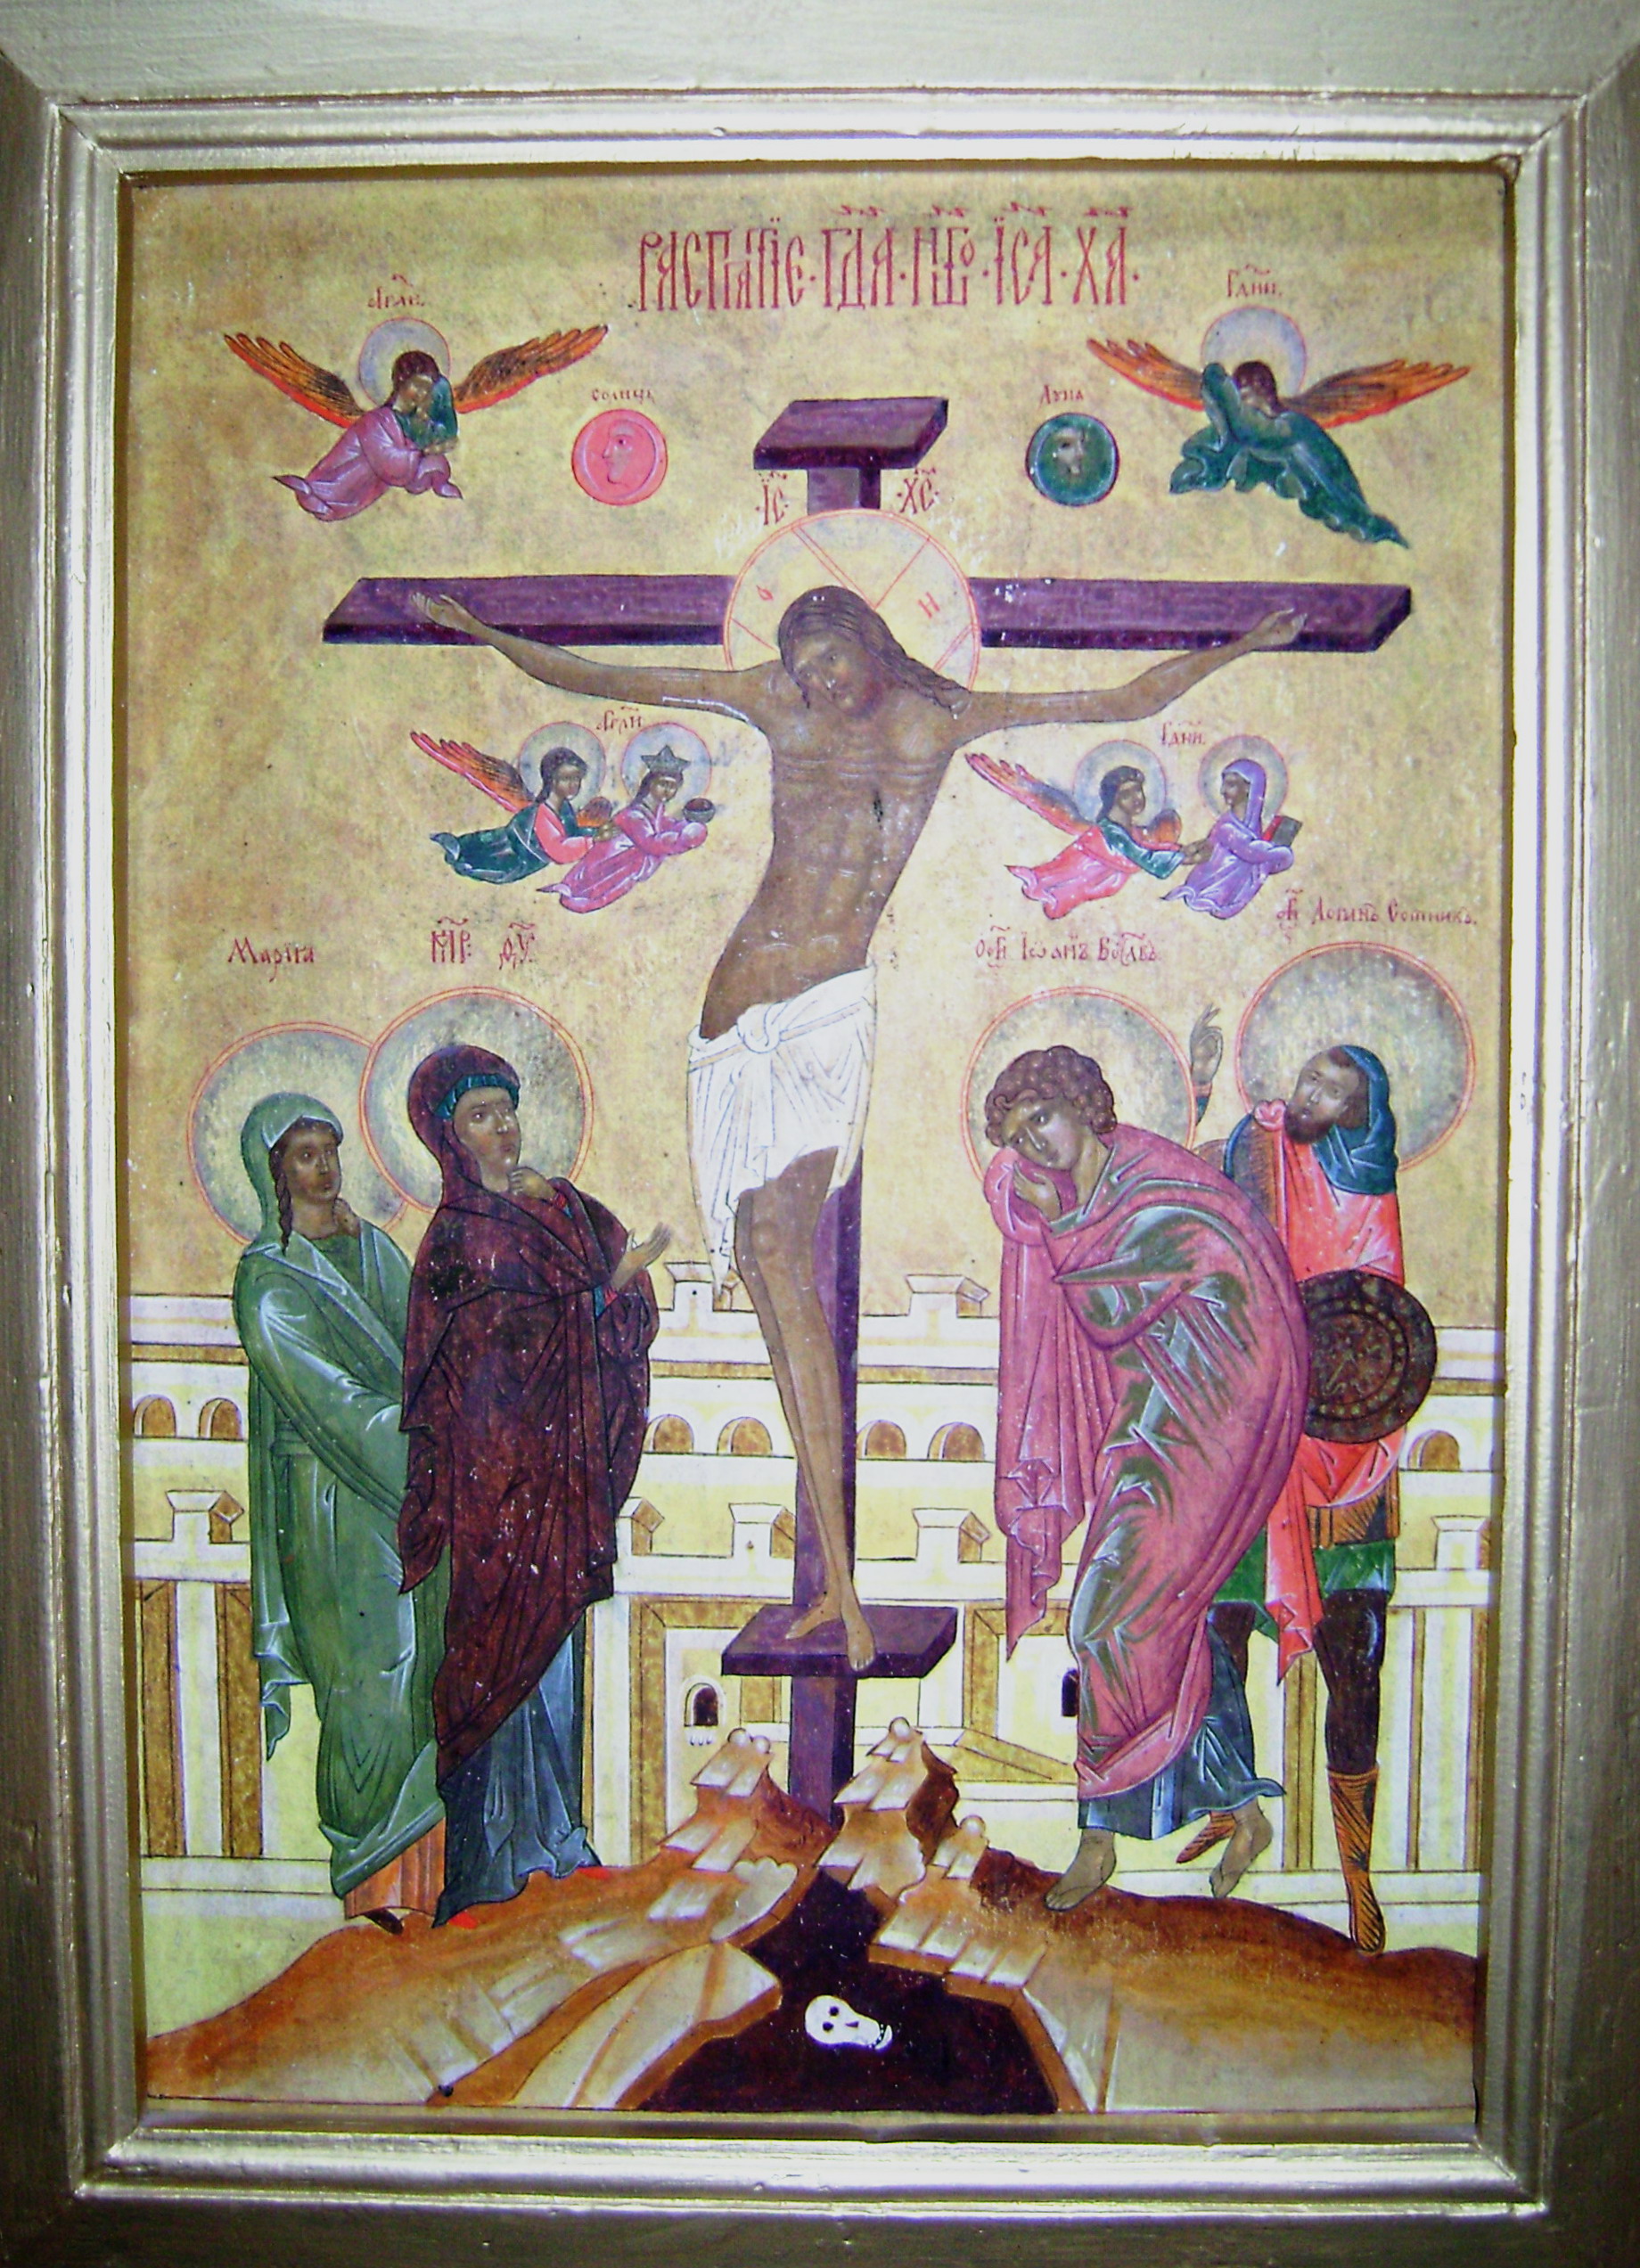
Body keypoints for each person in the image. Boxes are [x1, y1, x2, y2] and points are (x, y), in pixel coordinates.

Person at [412, 580, 1302, 1670]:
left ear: (867, 643)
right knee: (759, 1267)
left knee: (787, 1261)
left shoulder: (936, 719)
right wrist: (484, 634)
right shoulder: (775, 702)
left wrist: (1239, 644)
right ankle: (833, 1581)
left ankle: (842, 1580)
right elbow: (606, 676)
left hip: (824, 1009)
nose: (816, 684)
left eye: (828, 661)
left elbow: (1115, 699)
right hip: (733, 1010)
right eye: (801, 670)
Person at [984, 1045, 1309, 1910]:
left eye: (1042, 1119)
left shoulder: (1152, 1184)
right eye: (1018, 1135)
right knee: (1159, 1611)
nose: (1034, 1143)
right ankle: (1238, 1811)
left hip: (1219, 1406)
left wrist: (1050, 1224)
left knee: (1107, 1613)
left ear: (1081, 1106)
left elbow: (1108, 1306)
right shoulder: (1091, 1191)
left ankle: (1100, 1836)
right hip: (1157, 1402)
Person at [397, 1044, 664, 1922]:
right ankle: (491, 1866)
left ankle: (554, 1844)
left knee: (552, 1655)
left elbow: (607, 1304)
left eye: (506, 1109)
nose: (502, 1127)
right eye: (480, 1115)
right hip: (490, 1490)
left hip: (556, 1479)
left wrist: (606, 1281)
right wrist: (589, 1297)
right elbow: (459, 1365)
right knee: (494, 1663)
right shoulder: (454, 1237)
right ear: (448, 1136)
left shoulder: (554, 1206)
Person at [1192, 1041, 1407, 1952]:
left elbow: (1380, 1319)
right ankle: (1234, 1801)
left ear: (1362, 1111)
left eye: (1334, 1088)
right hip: (1258, 1433)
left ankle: (1357, 1873)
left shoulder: (1371, 1194)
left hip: (1348, 1459)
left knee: (1355, 1670)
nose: (1309, 1092)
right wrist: (1202, 1090)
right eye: (1311, 1074)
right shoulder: (1258, 1142)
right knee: (1215, 1628)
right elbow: (1201, 1205)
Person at [232, 1094, 446, 1925]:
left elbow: (426, 1350)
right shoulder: (268, 1281)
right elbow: (333, 1404)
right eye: (304, 1155)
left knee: (424, 1675)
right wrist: (437, 1453)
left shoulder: (375, 1250)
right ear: (274, 1173)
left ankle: (431, 1904)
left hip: (407, 1492)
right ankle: (373, 1906)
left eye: (330, 1150)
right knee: (370, 1688)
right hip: (333, 1510)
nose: (323, 1167)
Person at [1171, 360, 1406, 546]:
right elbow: (1230, 444)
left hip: (1352, 516)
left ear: (1262, 389)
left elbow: (1251, 431)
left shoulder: (1294, 425)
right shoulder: (1261, 441)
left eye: (1244, 398)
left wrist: (1220, 391)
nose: (1246, 409)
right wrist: (1201, 467)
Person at [970, 753, 1209, 921]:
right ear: (1113, 799)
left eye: (1138, 791)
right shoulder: (1108, 833)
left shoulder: (1136, 833)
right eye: (1127, 794)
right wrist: (1183, 858)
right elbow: (1137, 857)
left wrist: (1182, 851)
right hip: (1064, 886)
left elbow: (1148, 846)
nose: (1136, 798)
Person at [276, 348, 461, 521]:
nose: (421, 394)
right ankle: (314, 495)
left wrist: (435, 460)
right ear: (401, 381)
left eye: (427, 389)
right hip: (340, 483)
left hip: (365, 488)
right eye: (417, 385)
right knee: (335, 490)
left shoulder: (412, 423)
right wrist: (424, 451)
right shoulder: (376, 420)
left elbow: (418, 455)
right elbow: (389, 463)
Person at [542, 748, 712, 913]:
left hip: (622, 872)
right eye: (663, 784)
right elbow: (652, 843)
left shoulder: (655, 811)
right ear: (650, 783)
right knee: (588, 898)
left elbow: (662, 825)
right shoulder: (632, 815)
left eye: (673, 786)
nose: (668, 790)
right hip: (602, 871)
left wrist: (684, 825)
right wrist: (687, 838)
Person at [431, 749, 608, 886]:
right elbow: (558, 850)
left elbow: (573, 832)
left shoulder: (565, 810)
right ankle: (458, 847)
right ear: (552, 780)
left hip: (523, 862)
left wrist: (596, 832)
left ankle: (461, 855)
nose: (574, 785)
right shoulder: (542, 812)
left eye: (577, 779)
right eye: (566, 778)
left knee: (479, 865)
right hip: (510, 854)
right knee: (482, 853)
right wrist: (592, 841)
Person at [1164, 753, 1296, 920]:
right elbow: (1251, 852)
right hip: (1212, 892)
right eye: (1224, 784)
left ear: (1249, 787)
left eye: (1231, 785)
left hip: (1228, 896)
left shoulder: (1251, 827)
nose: (1222, 791)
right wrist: (1283, 854)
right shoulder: (1226, 827)